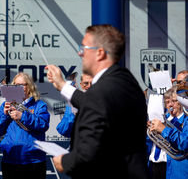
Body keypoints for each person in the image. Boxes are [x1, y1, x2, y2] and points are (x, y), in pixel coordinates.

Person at [46, 24, 149, 178]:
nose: (80, 53)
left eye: (84, 48)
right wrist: (62, 86)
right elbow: (95, 104)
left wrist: (64, 161)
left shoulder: (100, 92)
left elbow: (87, 154)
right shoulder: (124, 80)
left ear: (100, 53)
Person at [0, 72, 50, 179]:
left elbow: (43, 125)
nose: (20, 88)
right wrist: (4, 115)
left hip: (33, 161)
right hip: (10, 159)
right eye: (17, 85)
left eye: (23, 84)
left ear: (29, 87)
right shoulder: (6, 105)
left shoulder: (40, 105)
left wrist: (23, 116)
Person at [150, 86, 188, 179]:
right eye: (167, 102)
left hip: (173, 168)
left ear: (181, 103)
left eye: (174, 101)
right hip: (153, 166)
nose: (170, 105)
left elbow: (185, 143)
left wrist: (163, 130)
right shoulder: (161, 119)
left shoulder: (186, 120)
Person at [56, 73, 93, 137]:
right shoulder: (72, 105)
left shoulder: (103, 101)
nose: (89, 86)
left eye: (92, 83)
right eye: (86, 83)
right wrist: (73, 114)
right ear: (81, 85)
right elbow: (63, 130)